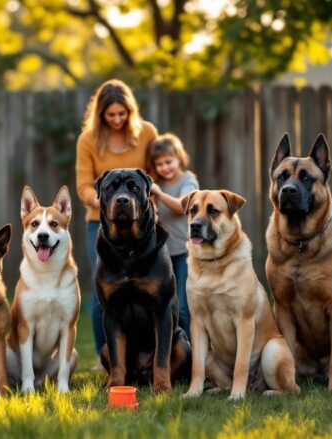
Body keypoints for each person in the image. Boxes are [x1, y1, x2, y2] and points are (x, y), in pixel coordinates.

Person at [75, 79, 159, 370]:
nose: (117, 120)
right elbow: (84, 183)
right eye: (111, 115)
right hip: (100, 225)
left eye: (122, 114)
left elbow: (153, 173)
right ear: (101, 115)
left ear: (130, 111)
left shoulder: (146, 132)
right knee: (103, 294)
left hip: (142, 227)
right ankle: (105, 357)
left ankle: (153, 356)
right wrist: (101, 201)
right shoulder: (88, 140)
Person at [145, 133, 199, 339]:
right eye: (159, 164)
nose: (164, 167)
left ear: (179, 158)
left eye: (169, 161)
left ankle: (192, 351)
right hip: (162, 255)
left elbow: (182, 206)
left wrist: (158, 192)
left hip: (184, 254)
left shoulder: (188, 180)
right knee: (168, 304)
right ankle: (173, 346)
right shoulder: (156, 185)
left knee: (184, 306)